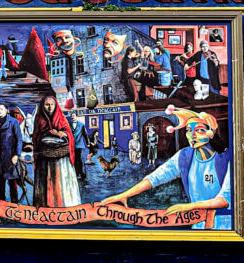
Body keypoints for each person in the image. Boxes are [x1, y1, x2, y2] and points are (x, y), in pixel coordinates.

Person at [101, 107, 231, 229]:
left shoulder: (227, 158)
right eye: (188, 130)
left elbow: (224, 200)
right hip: (198, 224)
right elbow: (156, 177)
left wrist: (187, 207)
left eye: (199, 130)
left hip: (224, 225)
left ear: (211, 133)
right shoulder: (184, 156)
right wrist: (124, 195)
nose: (192, 135)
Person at [31, 94, 82, 207]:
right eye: (47, 105)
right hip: (44, 157)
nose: (49, 107)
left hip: (61, 159)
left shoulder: (61, 118)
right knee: (46, 181)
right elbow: (35, 136)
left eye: (52, 105)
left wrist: (59, 133)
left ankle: (63, 205)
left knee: (60, 181)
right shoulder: (39, 119)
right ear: (43, 106)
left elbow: (69, 134)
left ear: (55, 106)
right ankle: (44, 205)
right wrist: (45, 135)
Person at [0, 102, 24, 202]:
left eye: (1, 109)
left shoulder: (13, 122)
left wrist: (16, 155)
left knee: (12, 183)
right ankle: (2, 204)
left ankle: (14, 205)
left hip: (10, 158)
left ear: (6, 111)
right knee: (0, 183)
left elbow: (19, 139)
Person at [70, 113, 87, 180]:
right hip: (72, 146)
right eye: (71, 116)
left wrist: (87, 142)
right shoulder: (69, 125)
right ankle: (76, 174)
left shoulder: (81, 125)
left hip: (80, 145)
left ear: (76, 117)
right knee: (75, 160)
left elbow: (85, 134)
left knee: (81, 160)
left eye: (74, 116)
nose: (72, 117)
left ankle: (83, 174)